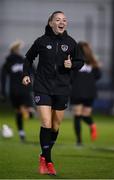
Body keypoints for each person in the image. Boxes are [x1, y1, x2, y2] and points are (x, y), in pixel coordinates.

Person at [22, 11, 84, 175]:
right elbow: (28, 58)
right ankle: (48, 162)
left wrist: (72, 65)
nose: (61, 22)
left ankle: (44, 154)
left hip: (62, 88)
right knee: (46, 122)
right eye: (58, 20)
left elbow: (81, 62)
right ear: (51, 23)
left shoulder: (71, 43)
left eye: (64, 20)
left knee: (55, 126)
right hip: (42, 86)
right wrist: (26, 74)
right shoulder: (41, 41)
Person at [1, 40, 34, 141]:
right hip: (22, 90)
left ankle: (20, 132)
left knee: (20, 112)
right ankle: (16, 130)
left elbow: (33, 71)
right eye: (18, 49)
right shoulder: (10, 63)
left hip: (14, 91)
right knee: (28, 112)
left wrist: (3, 92)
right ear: (16, 50)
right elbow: (3, 77)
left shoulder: (23, 61)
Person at [70, 41, 101, 146]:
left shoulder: (75, 61)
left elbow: (70, 76)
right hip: (90, 92)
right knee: (85, 115)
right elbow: (98, 76)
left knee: (78, 116)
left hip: (77, 91)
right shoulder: (93, 62)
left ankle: (79, 141)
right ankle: (92, 124)